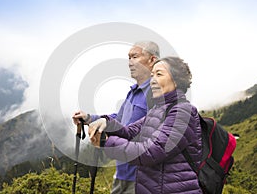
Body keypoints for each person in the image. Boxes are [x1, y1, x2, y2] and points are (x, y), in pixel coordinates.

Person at [88, 57, 203, 193]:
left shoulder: (183, 112)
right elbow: (130, 132)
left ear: (177, 80)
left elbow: (151, 152)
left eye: (159, 74)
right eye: (152, 75)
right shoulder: (157, 110)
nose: (152, 80)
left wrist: (106, 142)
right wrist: (106, 123)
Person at [72, 41, 160, 193]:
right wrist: (89, 118)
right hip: (122, 174)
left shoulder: (157, 93)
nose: (130, 62)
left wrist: (106, 142)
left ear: (152, 60)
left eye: (135, 57)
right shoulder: (133, 92)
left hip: (142, 178)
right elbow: (119, 119)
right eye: (129, 58)